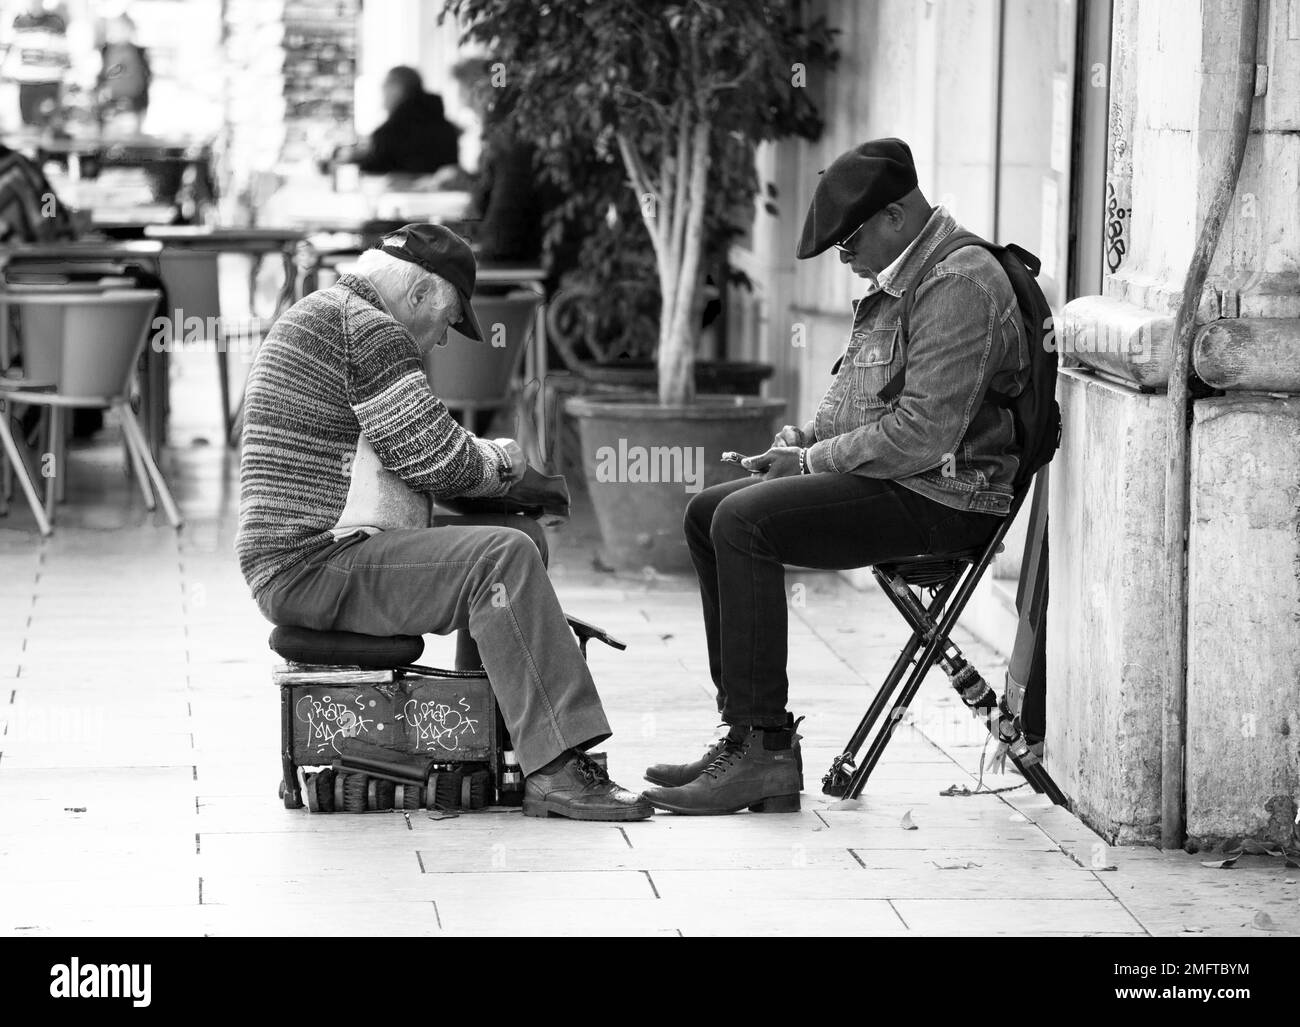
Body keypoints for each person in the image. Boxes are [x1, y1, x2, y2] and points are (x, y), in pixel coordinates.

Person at [642, 138, 1030, 816]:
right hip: (901, 482)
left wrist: (810, 463)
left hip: (946, 497)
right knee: (709, 512)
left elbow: (922, 434)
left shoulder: (959, 283)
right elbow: (857, 404)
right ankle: (739, 731)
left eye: (847, 241)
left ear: (897, 217)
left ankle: (764, 750)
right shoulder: (900, 279)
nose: (842, 258)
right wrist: (798, 444)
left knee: (745, 521)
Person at [236, 223, 651, 823]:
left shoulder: (333, 312)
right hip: (313, 564)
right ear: (422, 294)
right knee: (499, 557)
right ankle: (558, 766)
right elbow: (435, 457)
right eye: (447, 321)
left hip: (316, 554)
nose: (438, 341)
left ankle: (484, 741)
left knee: (519, 537)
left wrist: (490, 473)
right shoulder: (370, 329)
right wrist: (504, 461)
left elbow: (418, 450)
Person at [355, 66, 459, 176]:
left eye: (385, 86)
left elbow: (374, 169)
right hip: (446, 193)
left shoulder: (392, 132)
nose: (383, 92)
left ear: (397, 89)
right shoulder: (446, 128)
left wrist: (355, 160)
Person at [3, 0, 70, 127]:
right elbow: (9, 49)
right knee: (28, 122)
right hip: (27, 82)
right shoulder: (19, 22)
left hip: (49, 82)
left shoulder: (55, 22)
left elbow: (64, 55)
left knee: (47, 122)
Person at [96, 13, 150, 135]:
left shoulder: (138, 52)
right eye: (116, 29)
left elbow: (144, 77)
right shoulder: (106, 51)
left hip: (134, 104)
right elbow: (106, 74)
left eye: (123, 28)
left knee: (132, 138)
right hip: (112, 105)